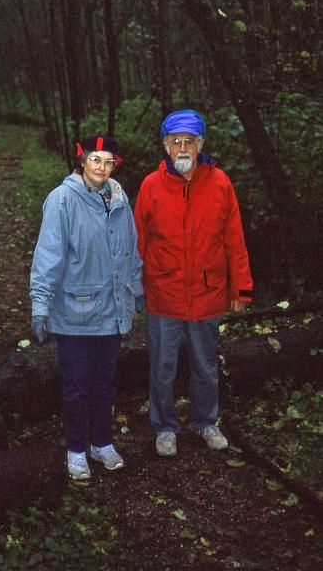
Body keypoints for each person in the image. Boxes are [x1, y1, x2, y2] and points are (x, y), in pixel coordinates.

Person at [134, 109, 253, 457]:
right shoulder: (151, 186)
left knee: (205, 365)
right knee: (162, 367)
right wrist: (134, 290)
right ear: (165, 146)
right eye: (175, 142)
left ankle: (204, 421)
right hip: (163, 294)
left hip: (207, 293)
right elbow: (137, 242)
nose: (182, 148)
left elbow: (235, 240)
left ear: (200, 145)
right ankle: (165, 427)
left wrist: (241, 288)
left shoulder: (220, 183)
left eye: (189, 141)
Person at [30, 135, 144, 481]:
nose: (102, 168)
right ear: (82, 161)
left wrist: (137, 291)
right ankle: (76, 449)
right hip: (75, 312)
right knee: (77, 385)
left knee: (105, 382)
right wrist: (40, 304)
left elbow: (130, 250)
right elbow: (48, 255)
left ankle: (102, 442)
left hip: (111, 310)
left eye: (109, 162)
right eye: (95, 160)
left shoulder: (119, 198)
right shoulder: (62, 199)